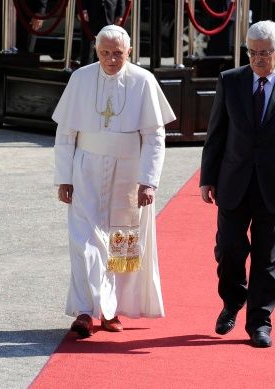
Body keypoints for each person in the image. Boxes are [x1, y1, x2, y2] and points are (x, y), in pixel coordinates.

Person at [200, 20, 275, 348]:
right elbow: (216, 134)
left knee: (267, 258)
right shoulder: (231, 81)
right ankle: (232, 301)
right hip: (233, 181)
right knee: (229, 249)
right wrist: (207, 178)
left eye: (264, 53)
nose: (257, 60)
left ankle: (260, 321)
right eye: (252, 53)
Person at [53, 25, 176, 338]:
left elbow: (154, 136)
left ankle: (112, 309)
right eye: (105, 52)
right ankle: (84, 310)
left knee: (123, 244)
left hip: (129, 174)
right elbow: (65, 134)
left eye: (117, 54)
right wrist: (64, 177)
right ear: (96, 50)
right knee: (82, 242)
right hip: (86, 170)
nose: (111, 59)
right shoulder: (80, 78)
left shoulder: (143, 81)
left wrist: (149, 181)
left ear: (129, 52)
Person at [78, 0, 125, 66]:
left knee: (107, 43)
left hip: (110, 10)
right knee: (87, 43)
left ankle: (104, 68)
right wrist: (82, 9)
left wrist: (120, 13)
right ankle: (85, 69)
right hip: (91, 8)